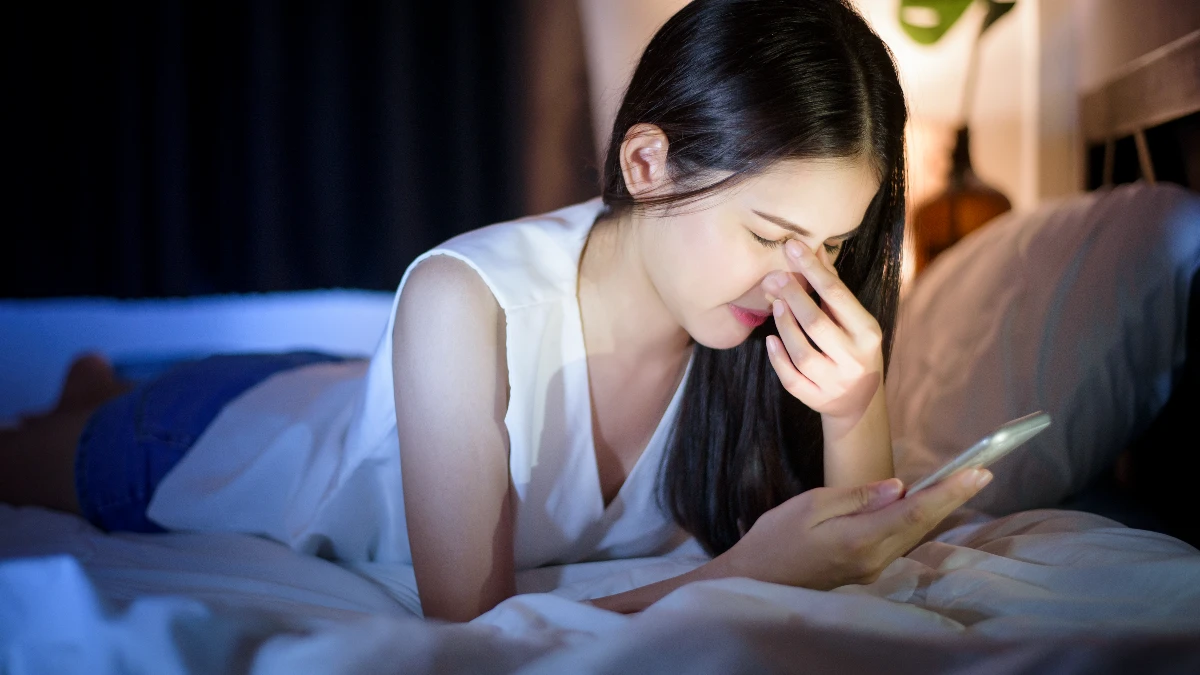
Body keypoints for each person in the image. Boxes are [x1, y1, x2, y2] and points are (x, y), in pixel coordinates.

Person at [0, 0, 993, 623]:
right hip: (209, 439)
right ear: (647, 166)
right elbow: (465, 618)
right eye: (770, 232)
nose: (797, 281)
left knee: (338, 390)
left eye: (826, 246)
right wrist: (746, 571)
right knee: (32, 451)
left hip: (357, 399)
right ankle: (93, 394)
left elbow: (858, 558)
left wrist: (856, 407)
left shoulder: (742, 318)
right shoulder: (460, 297)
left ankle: (100, 378)